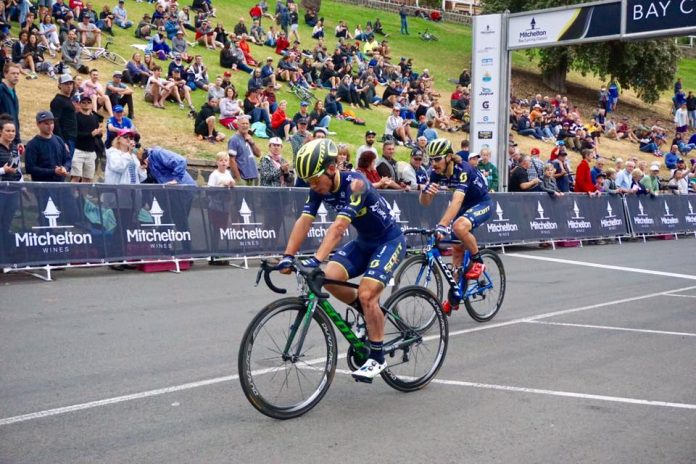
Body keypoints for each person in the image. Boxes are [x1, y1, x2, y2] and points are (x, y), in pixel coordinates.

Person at [278, 138, 406, 381]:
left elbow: (338, 228)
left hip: (389, 241)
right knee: (329, 278)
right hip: (365, 242)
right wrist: (287, 256)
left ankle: (377, 357)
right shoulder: (318, 187)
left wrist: (316, 260)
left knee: (368, 294)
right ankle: (367, 315)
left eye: (315, 180)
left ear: (332, 168)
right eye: (309, 182)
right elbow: (305, 221)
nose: (313, 186)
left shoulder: (357, 184)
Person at [419, 138, 492, 314]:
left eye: (438, 159)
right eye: (431, 159)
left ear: (449, 157)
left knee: (458, 227)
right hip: (465, 207)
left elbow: (457, 200)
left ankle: (477, 261)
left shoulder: (463, 169)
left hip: (481, 203)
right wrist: (425, 193)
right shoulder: (436, 172)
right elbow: (425, 203)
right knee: (457, 254)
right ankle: (454, 297)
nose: (434, 163)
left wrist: (443, 225)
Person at [24, 110, 71, 182]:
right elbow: (30, 168)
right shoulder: (32, 144)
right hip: (42, 185)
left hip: (60, 184)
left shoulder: (59, 140)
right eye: (46, 124)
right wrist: (53, 171)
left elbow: (67, 159)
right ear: (38, 124)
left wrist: (65, 168)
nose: (50, 126)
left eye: (52, 123)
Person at [72, 95, 101, 183]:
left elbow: (97, 136)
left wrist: (99, 133)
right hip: (78, 150)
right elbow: (75, 134)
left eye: (88, 102)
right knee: (76, 177)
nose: (86, 104)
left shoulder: (95, 118)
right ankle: (72, 196)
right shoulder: (76, 116)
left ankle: (83, 196)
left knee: (88, 178)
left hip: (91, 152)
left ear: (92, 105)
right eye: (83, 102)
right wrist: (90, 134)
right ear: (80, 104)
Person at [227, 115, 261, 185]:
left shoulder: (249, 138)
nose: (245, 125)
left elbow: (258, 154)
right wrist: (239, 179)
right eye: (243, 123)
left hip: (253, 176)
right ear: (238, 125)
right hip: (242, 178)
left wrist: (252, 143)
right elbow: (232, 160)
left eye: (247, 123)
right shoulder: (234, 139)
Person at [0, 64, 22, 146]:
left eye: (18, 73)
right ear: (5, 74)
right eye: (13, 73)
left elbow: (15, 118)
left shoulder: (13, 92)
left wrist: (18, 140)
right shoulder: (1, 90)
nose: (16, 76)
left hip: (11, 139)